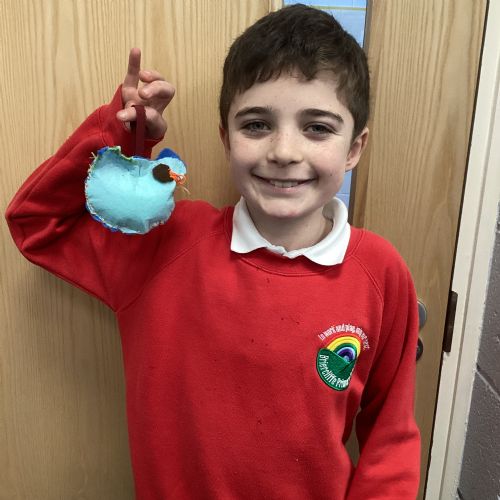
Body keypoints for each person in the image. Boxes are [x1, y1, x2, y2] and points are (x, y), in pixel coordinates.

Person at [6, 4, 420, 499]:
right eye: (257, 125)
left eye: (317, 128)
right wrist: (119, 137)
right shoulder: (164, 244)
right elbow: (37, 224)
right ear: (225, 139)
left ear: (354, 147)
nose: (284, 152)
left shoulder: (381, 273)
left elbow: (391, 441)